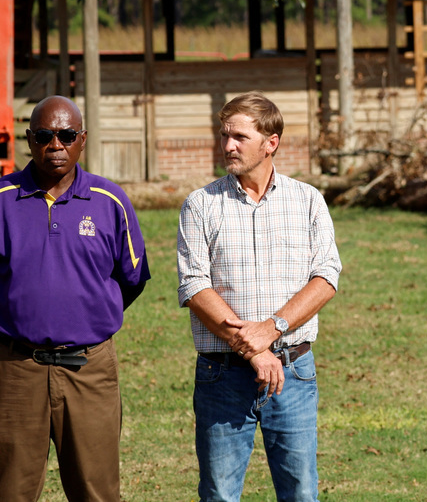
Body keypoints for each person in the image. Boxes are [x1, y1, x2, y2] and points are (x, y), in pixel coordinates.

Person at [177, 92, 342, 502]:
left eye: (239, 137)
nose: (228, 145)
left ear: (272, 142)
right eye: (224, 135)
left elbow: (326, 277)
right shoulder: (200, 205)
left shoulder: (307, 201)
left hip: (294, 371)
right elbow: (195, 286)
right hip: (223, 376)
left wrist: (272, 330)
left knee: (301, 493)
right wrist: (254, 351)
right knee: (218, 494)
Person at [0, 95, 149, 502]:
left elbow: (131, 280)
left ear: (82, 139)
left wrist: (85, 316)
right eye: (45, 136)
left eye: (66, 135)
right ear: (29, 141)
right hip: (15, 369)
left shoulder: (109, 201)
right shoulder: (2, 199)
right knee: (9, 489)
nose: (56, 145)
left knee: (96, 490)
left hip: (90, 369)